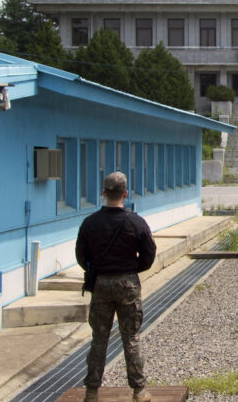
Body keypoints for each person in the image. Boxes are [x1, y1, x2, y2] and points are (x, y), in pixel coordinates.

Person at [75, 171, 157, 402]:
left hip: (101, 283)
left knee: (99, 339)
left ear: (103, 193)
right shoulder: (136, 222)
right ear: (125, 193)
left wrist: (97, 269)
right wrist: (133, 267)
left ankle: (92, 391)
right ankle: (139, 390)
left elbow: (81, 256)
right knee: (131, 338)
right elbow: (149, 255)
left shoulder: (90, 223)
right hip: (128, 284)